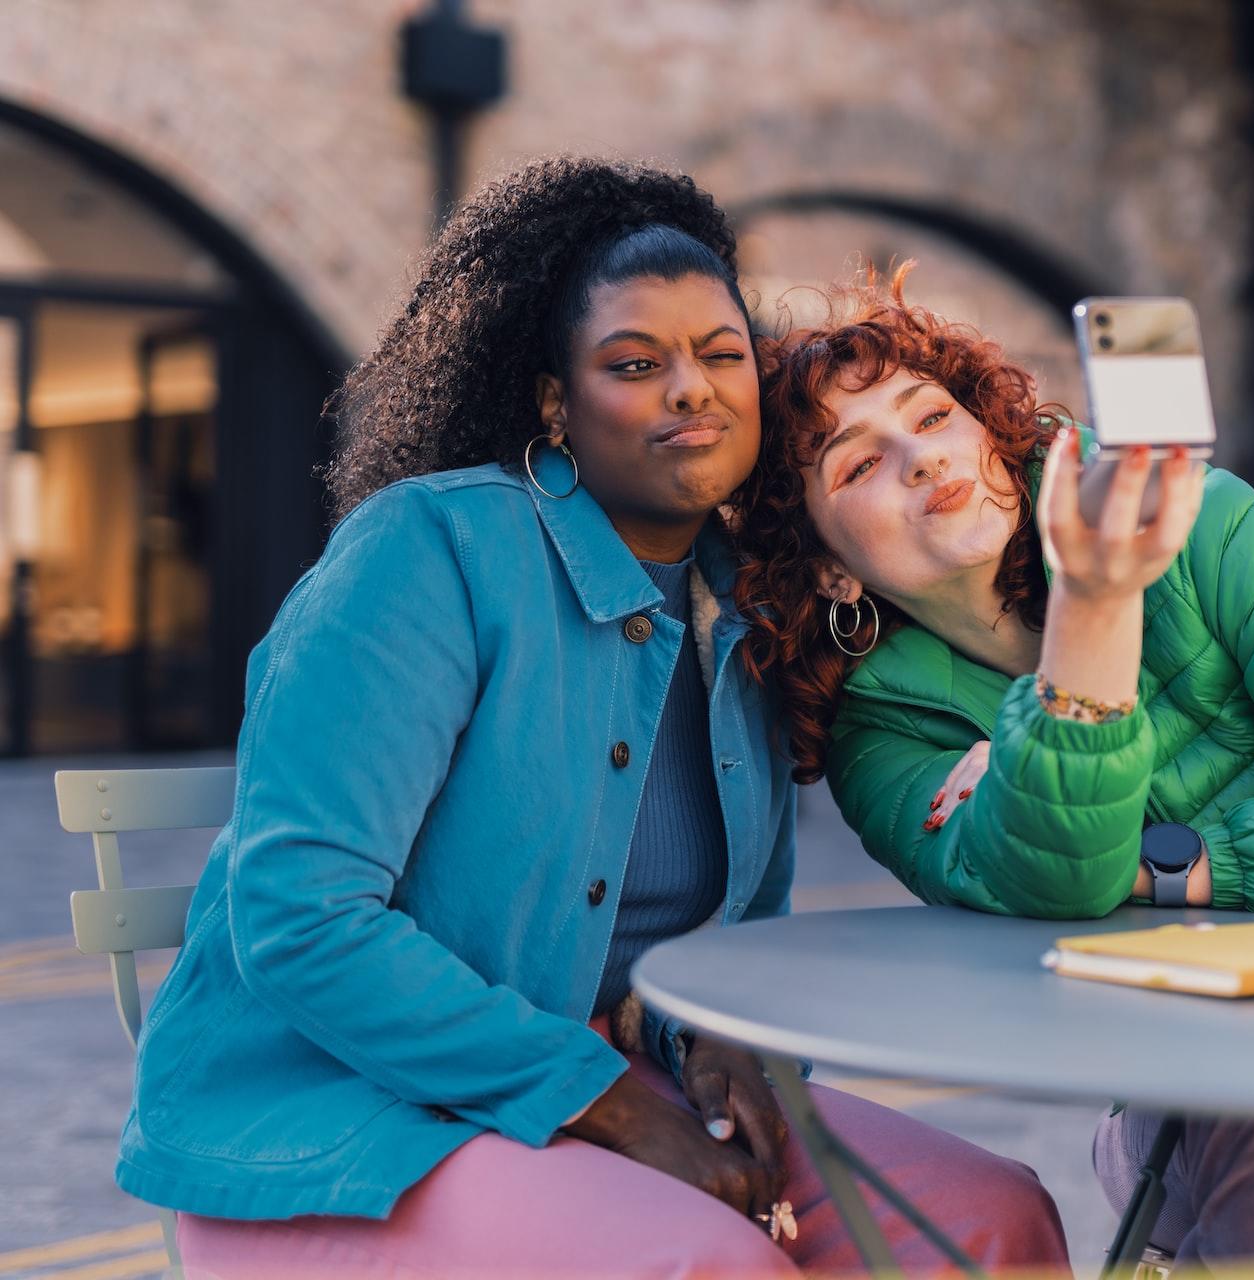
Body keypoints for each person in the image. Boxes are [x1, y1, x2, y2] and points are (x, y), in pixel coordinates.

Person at [117, 160, 1068, 1277]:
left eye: (723, 355)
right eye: (634, 363)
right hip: (341, 1126)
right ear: (555, 403)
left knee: (992, 1220)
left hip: (607, 1095)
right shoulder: (426, 557)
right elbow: (300, 914)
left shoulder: (752, 599)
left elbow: (740, 917)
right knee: (705, 1261)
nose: (691, 389)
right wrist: (608, 1098)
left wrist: (706, 1040)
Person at [733, 270, 1254, 1273]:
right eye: (859, 462)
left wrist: (1160, 861)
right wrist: (1095, 604)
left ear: (990, 429)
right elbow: (1057, 876)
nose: (921, 457)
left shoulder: (1206, 524)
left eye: (936, 414)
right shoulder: (880, 728)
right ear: (826, 566)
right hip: (1183, 1094)